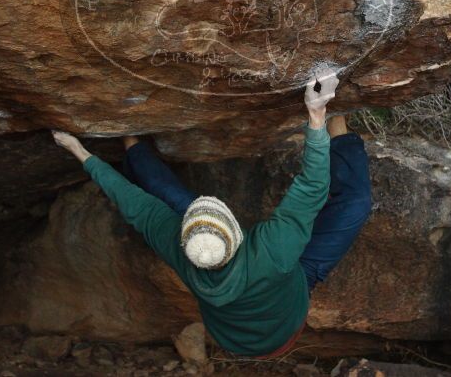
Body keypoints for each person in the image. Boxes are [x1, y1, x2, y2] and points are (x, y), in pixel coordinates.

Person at [52, 68, 372, 358]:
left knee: (171, 200)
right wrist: (316, 117)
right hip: (288, 317)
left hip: (233, 335)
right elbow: (312, 189)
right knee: (355, 202)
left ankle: (129, 137)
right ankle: (336, 117)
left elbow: (135, 204)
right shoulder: (273, 250)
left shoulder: (179, 249)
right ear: (236, 230)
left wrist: (81, 153)